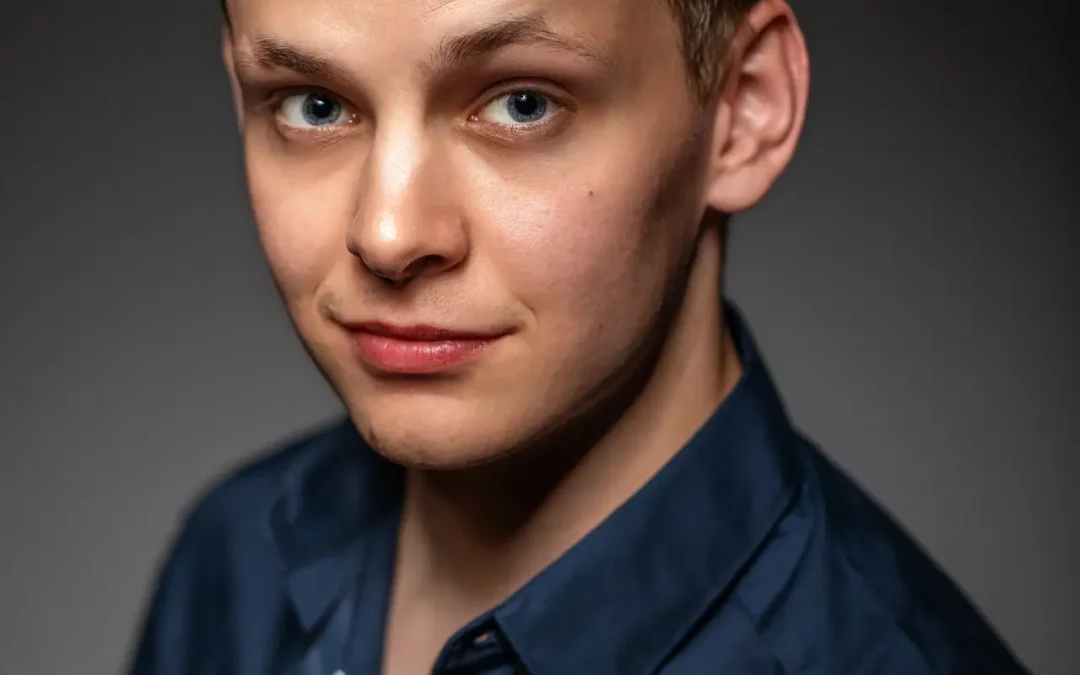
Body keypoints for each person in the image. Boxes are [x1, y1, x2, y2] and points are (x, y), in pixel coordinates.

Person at [129, 0, 1030, 673]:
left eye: (522, 104)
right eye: (313, 106)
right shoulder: (234, 560)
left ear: (744, 109)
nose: (389, 234)